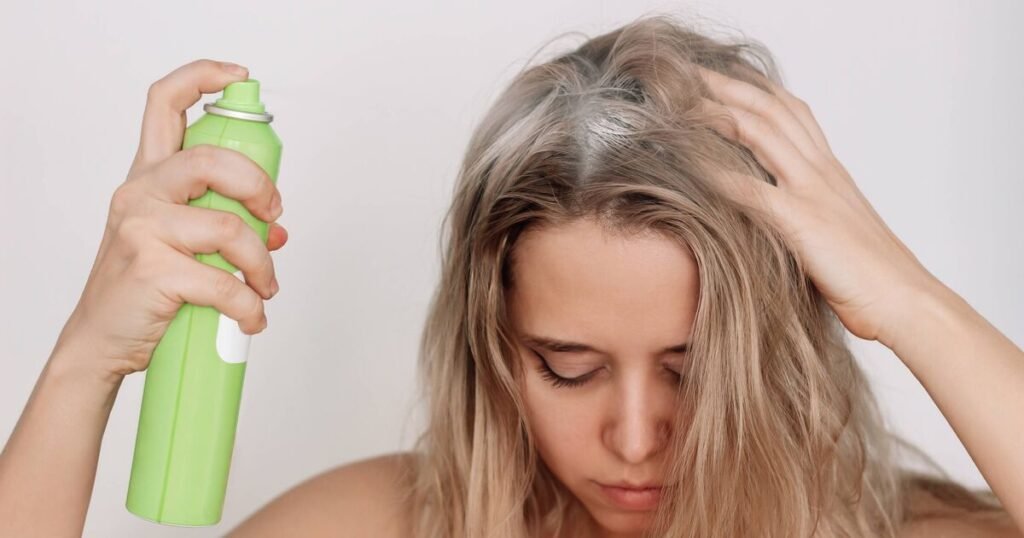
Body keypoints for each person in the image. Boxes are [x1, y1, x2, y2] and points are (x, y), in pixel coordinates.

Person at [0, 13, 1021, 538]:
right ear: (492, 343)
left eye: (694, 368)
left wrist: (912, 303)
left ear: (781, 348)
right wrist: (84, 364)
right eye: (568, 367)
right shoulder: (378, 524)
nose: (636, 438)